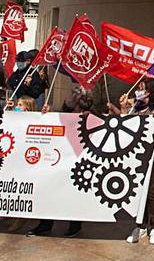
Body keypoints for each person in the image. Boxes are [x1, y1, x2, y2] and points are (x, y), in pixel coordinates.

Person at [113, 78, 154, 245]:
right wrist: (122, 108)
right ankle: (140, 225)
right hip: (138, 156)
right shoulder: (136, 106)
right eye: (138, 88)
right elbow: (126, 124)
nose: (138, 92)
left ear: (150, 92)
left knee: (151, 190)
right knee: (139, 192)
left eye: (142, 89)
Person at [29, 92, 95, 238]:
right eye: (79, 108)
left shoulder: (93, 120)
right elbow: (55, 120)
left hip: (79, 165)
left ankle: (75, 226)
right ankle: (45, 225)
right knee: (50, 193)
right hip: (59, 161)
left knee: (75, 196)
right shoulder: (67, 115)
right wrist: (47, 112)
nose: (82, 112)